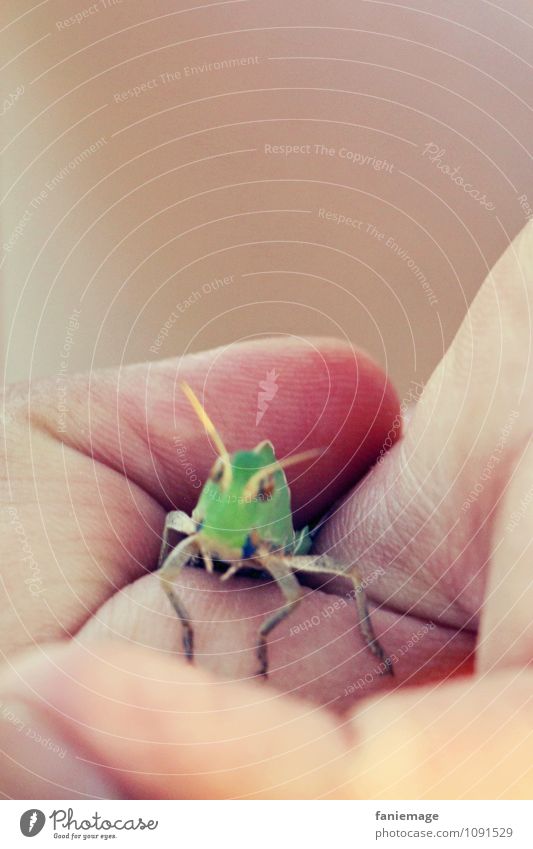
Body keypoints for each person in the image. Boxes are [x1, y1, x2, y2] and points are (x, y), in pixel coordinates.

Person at [0, 221, 532, 799]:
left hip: (282, 550)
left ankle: (366, 643)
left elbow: (327, 581)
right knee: (179, 532)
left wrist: (266, 647)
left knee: (350, 580)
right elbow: (176, 537)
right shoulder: (187, 522)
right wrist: (175, 617)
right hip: (205, 557)